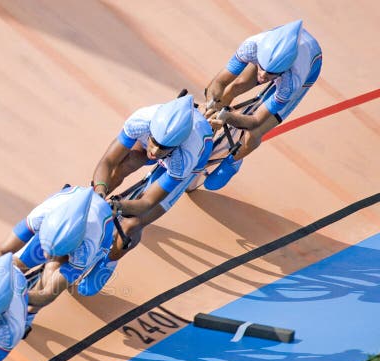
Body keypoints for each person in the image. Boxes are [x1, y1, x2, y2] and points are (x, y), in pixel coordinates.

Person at [202, 20, 322, 189]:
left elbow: (257, 121)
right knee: (233, 87)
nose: (263, 76)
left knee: (255, 132)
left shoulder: (291, 81)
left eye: (270, 73)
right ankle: (206, 133)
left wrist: (228, 117)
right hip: (272, 57)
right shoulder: (252, 46)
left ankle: (232, 162)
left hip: (310, 66)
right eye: (261, 68)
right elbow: (220, 82)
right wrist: (212, 104)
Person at [0, 185, 126, 317]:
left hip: (100, 231)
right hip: (67, 212)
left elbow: (48, 294)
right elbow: (1, 250)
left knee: (57, 273)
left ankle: (30, 314)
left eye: (53, 252)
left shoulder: (85, 250)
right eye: (47, 248)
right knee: (16, 264)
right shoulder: (39, 216)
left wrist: (17, 298)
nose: (47, 256)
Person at [91, 94, 213, 238]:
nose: (155, 151)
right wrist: (99, 193)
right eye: (154, 142)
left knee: (132, 225)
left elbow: (147, 202)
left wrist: (118, 208)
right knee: (121, 166)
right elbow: (108, 162)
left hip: (186, 160)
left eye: (163, 147)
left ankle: (110, 261)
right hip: (159, 147)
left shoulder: (184, 159)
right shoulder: (140, 121)